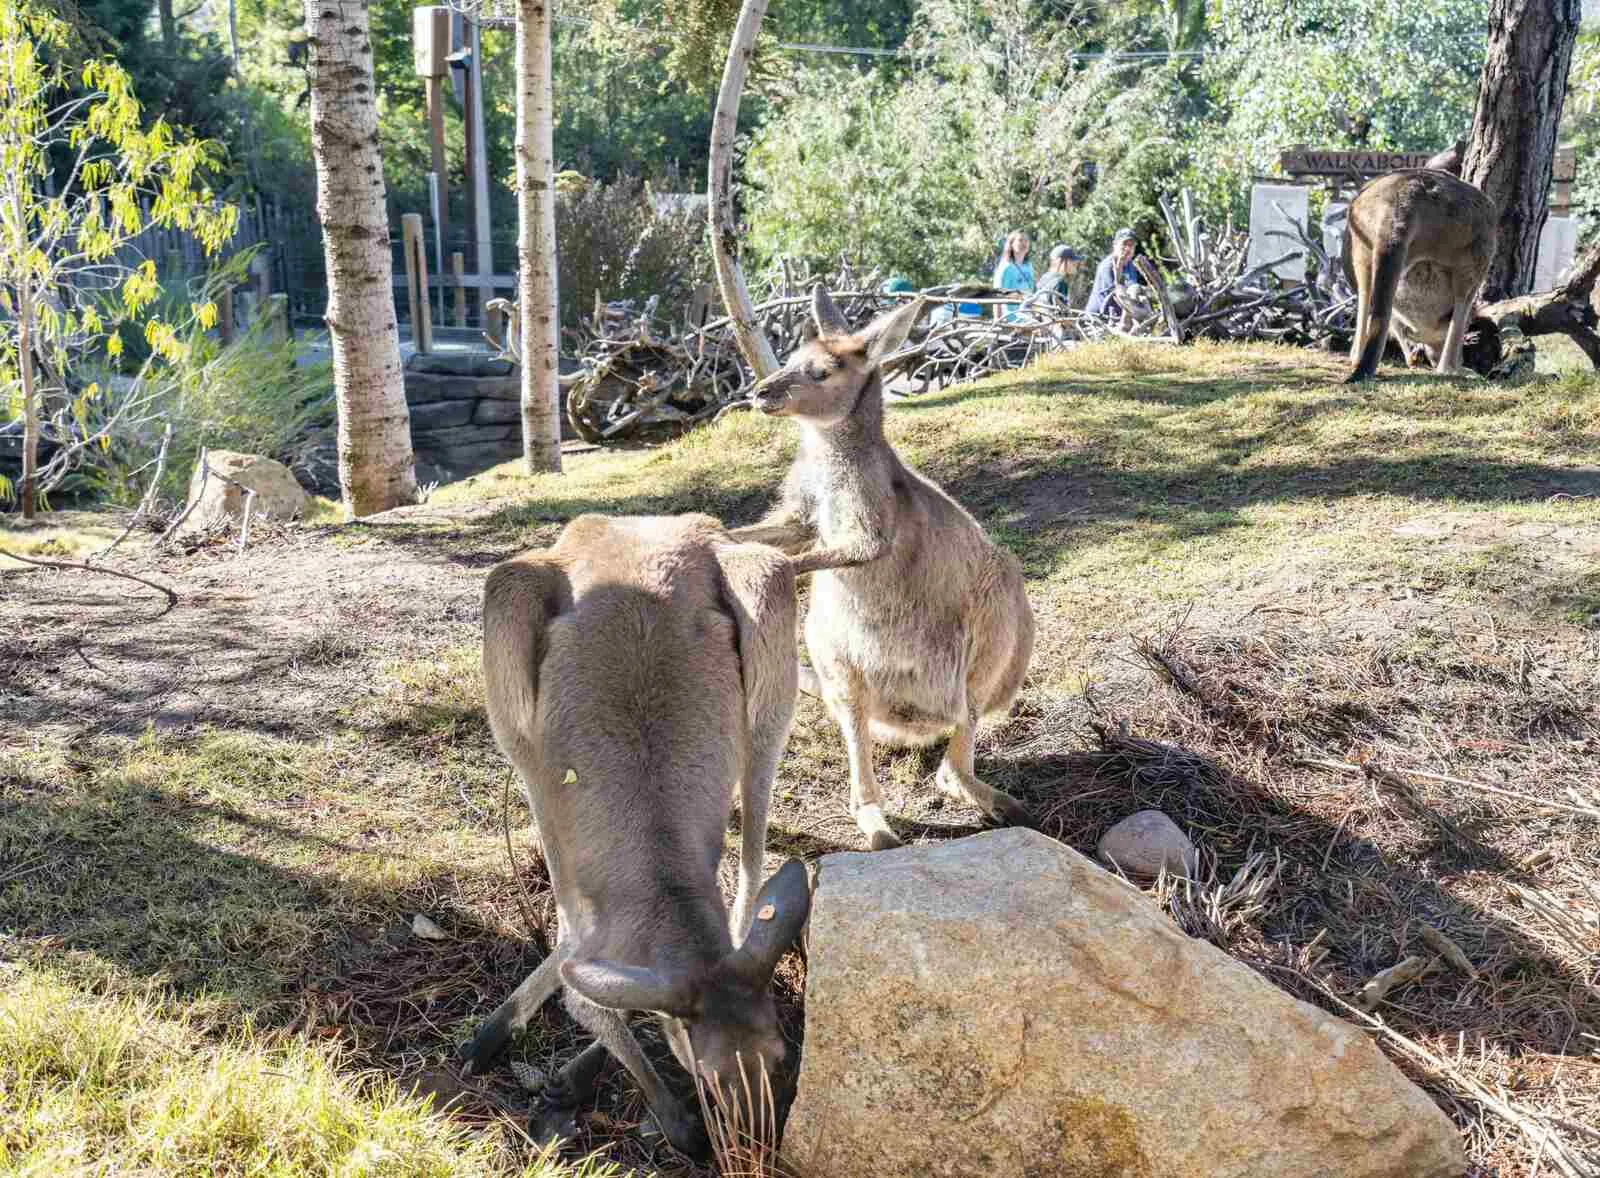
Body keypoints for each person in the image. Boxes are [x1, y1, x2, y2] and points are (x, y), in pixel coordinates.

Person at [1087, 228, 1139, 318]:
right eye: (1124, 244)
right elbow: (1115, 294)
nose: (1127, 248)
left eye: (1131, 245)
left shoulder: (1131, 265)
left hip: (1116, 316)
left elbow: (1132, 289)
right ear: (1115, 245)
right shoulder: (1107, 266)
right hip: (1098, 318)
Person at [990, 229, 1034, 318]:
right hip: (1010, 316)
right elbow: (997, 294)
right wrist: (997, 320)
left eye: (1026, 240)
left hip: (1027, 314)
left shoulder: (1029, 267)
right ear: (1011, 244)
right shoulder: (1005, 267)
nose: (1024, 243)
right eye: (1020, 240)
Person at [1034, 244, 1085, 309]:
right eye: (1071, 260)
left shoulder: (1044, 277)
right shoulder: (1061, 282)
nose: (1076, 263)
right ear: (1060, 261)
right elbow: (1061, 314)